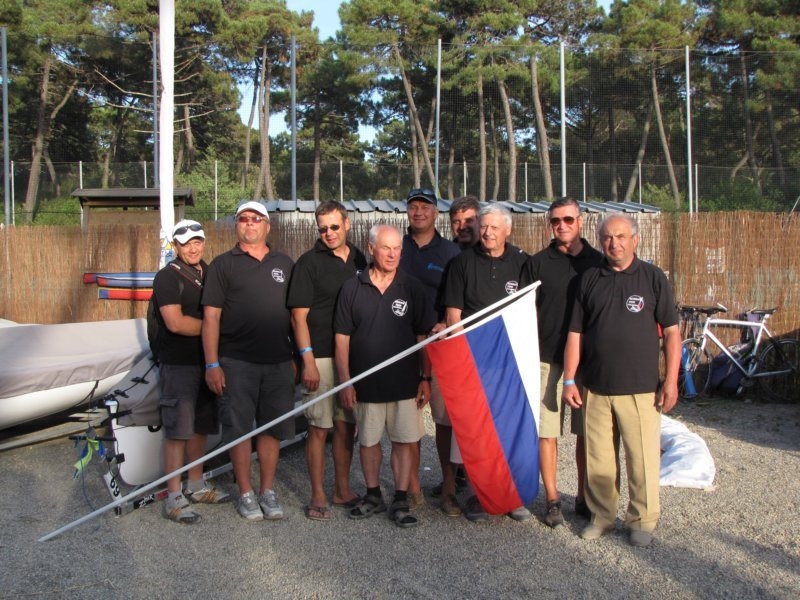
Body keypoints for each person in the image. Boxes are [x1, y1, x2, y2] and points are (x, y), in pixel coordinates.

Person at [562, 214, 680, 547]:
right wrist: (569, 380)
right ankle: (601, 517)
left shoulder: (653, 278)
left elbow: (672, 332)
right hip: (596, 386)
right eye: (608, 237)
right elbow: (575, 333)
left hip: (641, 388)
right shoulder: (589, 279)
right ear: (600, 241)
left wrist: (671, 381)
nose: (614, 243)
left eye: (621, 236)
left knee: (641, 459)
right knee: (599, 460)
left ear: (635, 240)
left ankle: (642, 520)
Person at [334, 224, 436, 528]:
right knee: (368, 442)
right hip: (366, 384)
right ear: (371, 248)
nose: (392, 254)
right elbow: (342, 338)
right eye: (386, 248)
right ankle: (373, 494)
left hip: (405, 384)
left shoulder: (411, 287)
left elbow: (423, 337)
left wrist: (425, 378)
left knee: (404, 441)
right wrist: (346, 381)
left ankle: (401, 498)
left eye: (397, 249)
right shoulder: (352, 288)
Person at [202, 201, 296, 521]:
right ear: (236, 225)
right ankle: (245, 493)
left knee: (271, 428)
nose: (250, 224)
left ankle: (267, 490)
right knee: (239, 429)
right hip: (236, 361)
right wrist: (212, 364)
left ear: (267, 226)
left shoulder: (284, 263)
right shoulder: (222, 265)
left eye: (257, 219)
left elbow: (295, 316)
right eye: (244, 219)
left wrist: (296, 355)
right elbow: (211, 318)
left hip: (278, 361)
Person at [441, 203, 531, 523]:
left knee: (509, 429)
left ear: (508, 229)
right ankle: (480, 494)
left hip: (509, 364)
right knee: (479, 432)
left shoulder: (523, 263)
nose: (488, 232)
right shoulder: (461, 263)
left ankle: (513, 495)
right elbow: (453, 316)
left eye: (494, 227)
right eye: (483, 226)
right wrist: (463, 362)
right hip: (476, 363)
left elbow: (529, 312)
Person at [521, 197, 602, 527]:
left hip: (587, 363)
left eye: (568, 219)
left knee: (587, 434)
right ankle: (553, 499)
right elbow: (524, 311)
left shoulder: (598, 262)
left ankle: (583, 498)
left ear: (580, 221)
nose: (562, 225)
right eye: (556, 221)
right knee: (547, 433)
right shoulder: (537, 263)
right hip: (547, 359)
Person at [287, 201, 367, 521]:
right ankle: (318, 494)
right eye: (323, 228)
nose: (329, 233)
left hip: (352, 356)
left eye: (334, 226)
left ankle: (342, 489)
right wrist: (307, 361)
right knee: (319, 427)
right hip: (320, 355)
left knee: (347, 426)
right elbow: (298, 317)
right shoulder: (308, 263)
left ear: (347, 224)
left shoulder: (359, 259)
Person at [154, 220, 231, 523]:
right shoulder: (167, 277)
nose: (193, 248)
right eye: (186, 243)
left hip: (207, 362)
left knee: (201, 425)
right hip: (179, 364)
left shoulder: (210, 273)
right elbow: (175, 322)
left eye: (197, 241)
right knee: (178, 430)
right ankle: (174, 495)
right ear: (176, 246)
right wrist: (215, 329)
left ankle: (196, 484)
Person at [399, 188, 461, 516]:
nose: (419, 212)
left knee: (444, 421)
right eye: (413, 206)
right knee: (407, 421)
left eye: (425, 206)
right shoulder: (396, 247)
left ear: (436, 213)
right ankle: (411, 487)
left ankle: (449, 489)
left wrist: (445, 325)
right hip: (400, 345)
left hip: (440, 347)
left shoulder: (451, 253)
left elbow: (458, 300)